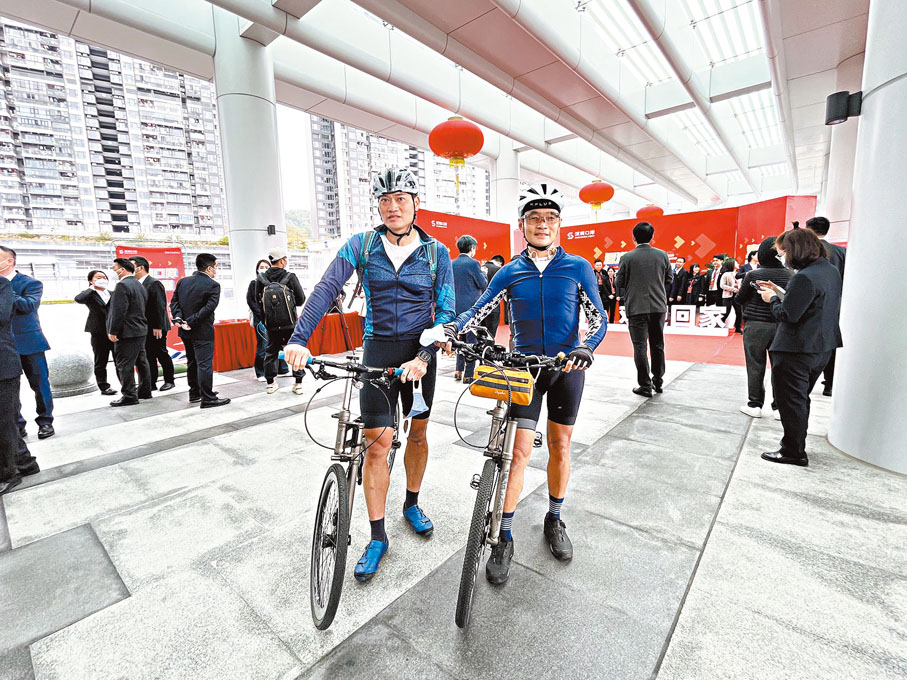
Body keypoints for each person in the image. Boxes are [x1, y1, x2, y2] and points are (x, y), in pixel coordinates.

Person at [283, 167, 455, 582]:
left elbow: (447, 311)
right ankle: (378, 536)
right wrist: (299, 339)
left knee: (417, 434)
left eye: (400, 199)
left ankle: (411, 502)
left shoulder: (437, 253)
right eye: (384, 201)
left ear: (416, 203)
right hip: (377, 352)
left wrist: (426, 354)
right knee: (377, 444)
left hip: (418, 357)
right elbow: (327, 288)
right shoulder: (361, 245)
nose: (392, 207)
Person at [445, 183, 608, 585]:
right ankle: (503, 534)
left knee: (560, 446)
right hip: (523, 370)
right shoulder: (509, 271)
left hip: (568, 367)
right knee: (517, 454)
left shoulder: (578, 267)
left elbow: (599, 317)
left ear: (559, 225)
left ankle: (554, 517)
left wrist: (587, 347)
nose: (542, 224)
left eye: (550, 218)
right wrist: (451, 328)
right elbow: (479, 308)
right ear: (522, 225)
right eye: (535, 218)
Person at [757, 228, 842, 466]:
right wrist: (779, 291)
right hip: (821, 346)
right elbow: (810, 304)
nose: (782, 256)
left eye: (783, 251)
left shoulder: (804, 277)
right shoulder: (829, 271)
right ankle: (795, 445)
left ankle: (792, 451)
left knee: (792, 401)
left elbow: (788, 314)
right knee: (800, 399)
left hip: (796, 348)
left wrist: (771, 299)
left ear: (794, 250)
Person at [0, 246, 55, 440]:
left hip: (30, 342)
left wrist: (5, 288)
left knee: (40, 385)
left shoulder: (31, 283)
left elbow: (28, 305)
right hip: (4, 346)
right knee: (8, 389)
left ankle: (46, 421)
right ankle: (17, 424)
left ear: (9, 261)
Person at [736, 237, 793, 418]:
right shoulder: (791, 275)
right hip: (781, 326)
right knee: (780, 367)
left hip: (756, 326)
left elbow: (740, 299)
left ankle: (755, 405)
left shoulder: (753, 275)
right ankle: (778, 407)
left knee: (755, 365)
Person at [615, 222, 672, 398]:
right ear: (652, 237)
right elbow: (669, 279)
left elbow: (619, 283)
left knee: (639, 347)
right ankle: (658, 381)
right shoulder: (662, 255)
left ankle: (645, 385)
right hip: (658, 307)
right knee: (658, 344)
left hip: (636, 307)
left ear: (633, 237)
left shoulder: (627, 258)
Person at [170, 254, 230, 409]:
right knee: (204, 364)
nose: (216, 270)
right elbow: (209, 308)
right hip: (202, 330)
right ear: (209, 268)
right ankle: (208, 398)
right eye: (216, 266)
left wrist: (179, 318)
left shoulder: (183, 282)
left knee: (192, 362)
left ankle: (195, 392)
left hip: (185, 331)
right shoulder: (213, 285)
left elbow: (174, 301)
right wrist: (191, 321)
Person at [1, 276, 40, 495]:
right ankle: (24, 463)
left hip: (5, 360)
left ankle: (8, 473)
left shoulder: (4, 284)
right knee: (5, 420)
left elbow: (10, 312)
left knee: (3, 422)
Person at [255, 247, 306, 395]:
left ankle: (270, 384)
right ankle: (298, 384)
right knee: (296, 349)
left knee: (271, 351)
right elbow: (301, 299)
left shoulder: (261, 279)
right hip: (290, 322)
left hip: (271, 324)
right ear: (283, 260)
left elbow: (258, 301)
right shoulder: (290, 276)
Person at [804, 216, 846, 396]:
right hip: (834, 304)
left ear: (808, 229)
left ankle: (805, 382)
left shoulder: (807, 251)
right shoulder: (841, 252)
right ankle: (829, 384)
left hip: (809, 303)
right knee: (829, 342)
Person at [106, 258, 152, 407]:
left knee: (124, 364)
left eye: (115, 268)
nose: (114, 271)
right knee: (141, 361)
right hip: (140, 329)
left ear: (123, 269)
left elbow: (119, 311)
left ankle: (129, 395)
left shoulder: (122, 285)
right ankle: (145, 391)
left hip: (128, 332)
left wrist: (113, 330)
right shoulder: (139, 284)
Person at [130, 256, 175, 392]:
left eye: (132, 266)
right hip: (144, 327)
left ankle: (169, 380)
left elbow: (159, 306)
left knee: (161, 353)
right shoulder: (137, 283)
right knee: (149, 355)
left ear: (141, 267)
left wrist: (157, 326)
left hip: (157, 326)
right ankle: (152, 382)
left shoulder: (153, 283)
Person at [74, 270, 118, 396]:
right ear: (91, 281)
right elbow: (78, 299)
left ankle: (125, 384)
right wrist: (91, 288)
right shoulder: (90, 295)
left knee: (119, 359)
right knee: (101, 361)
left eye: (104, 277)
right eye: (99, 277)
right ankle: (104, 387)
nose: (103, 279)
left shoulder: (112, 293)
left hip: (114, 330)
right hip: (98, 332)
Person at [451, 235, 487, 383]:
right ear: (472, 248)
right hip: (471, 309)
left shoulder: (452, 263)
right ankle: (469, 374)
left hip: (455, 307)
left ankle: (458, 370)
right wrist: (484, 273)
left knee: (459, 339)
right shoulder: (474, 264)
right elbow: (482, 284)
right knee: (471, 341)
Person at [480, 254, 505, 341]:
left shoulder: (480, 268)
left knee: (480, 335)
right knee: (490, 336)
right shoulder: (499, 270)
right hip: (493, 307)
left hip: (479, 306)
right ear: (500, 263)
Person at [720, 259, 741, 331]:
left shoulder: (738, 274)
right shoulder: (726, 274)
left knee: (739, 312)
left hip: (737, 296)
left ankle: (738, 328)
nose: (738, 264)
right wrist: (733, 289)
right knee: (726, 312)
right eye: (736, 263)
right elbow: (722, 285)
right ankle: (720, 324)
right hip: (728, 295)